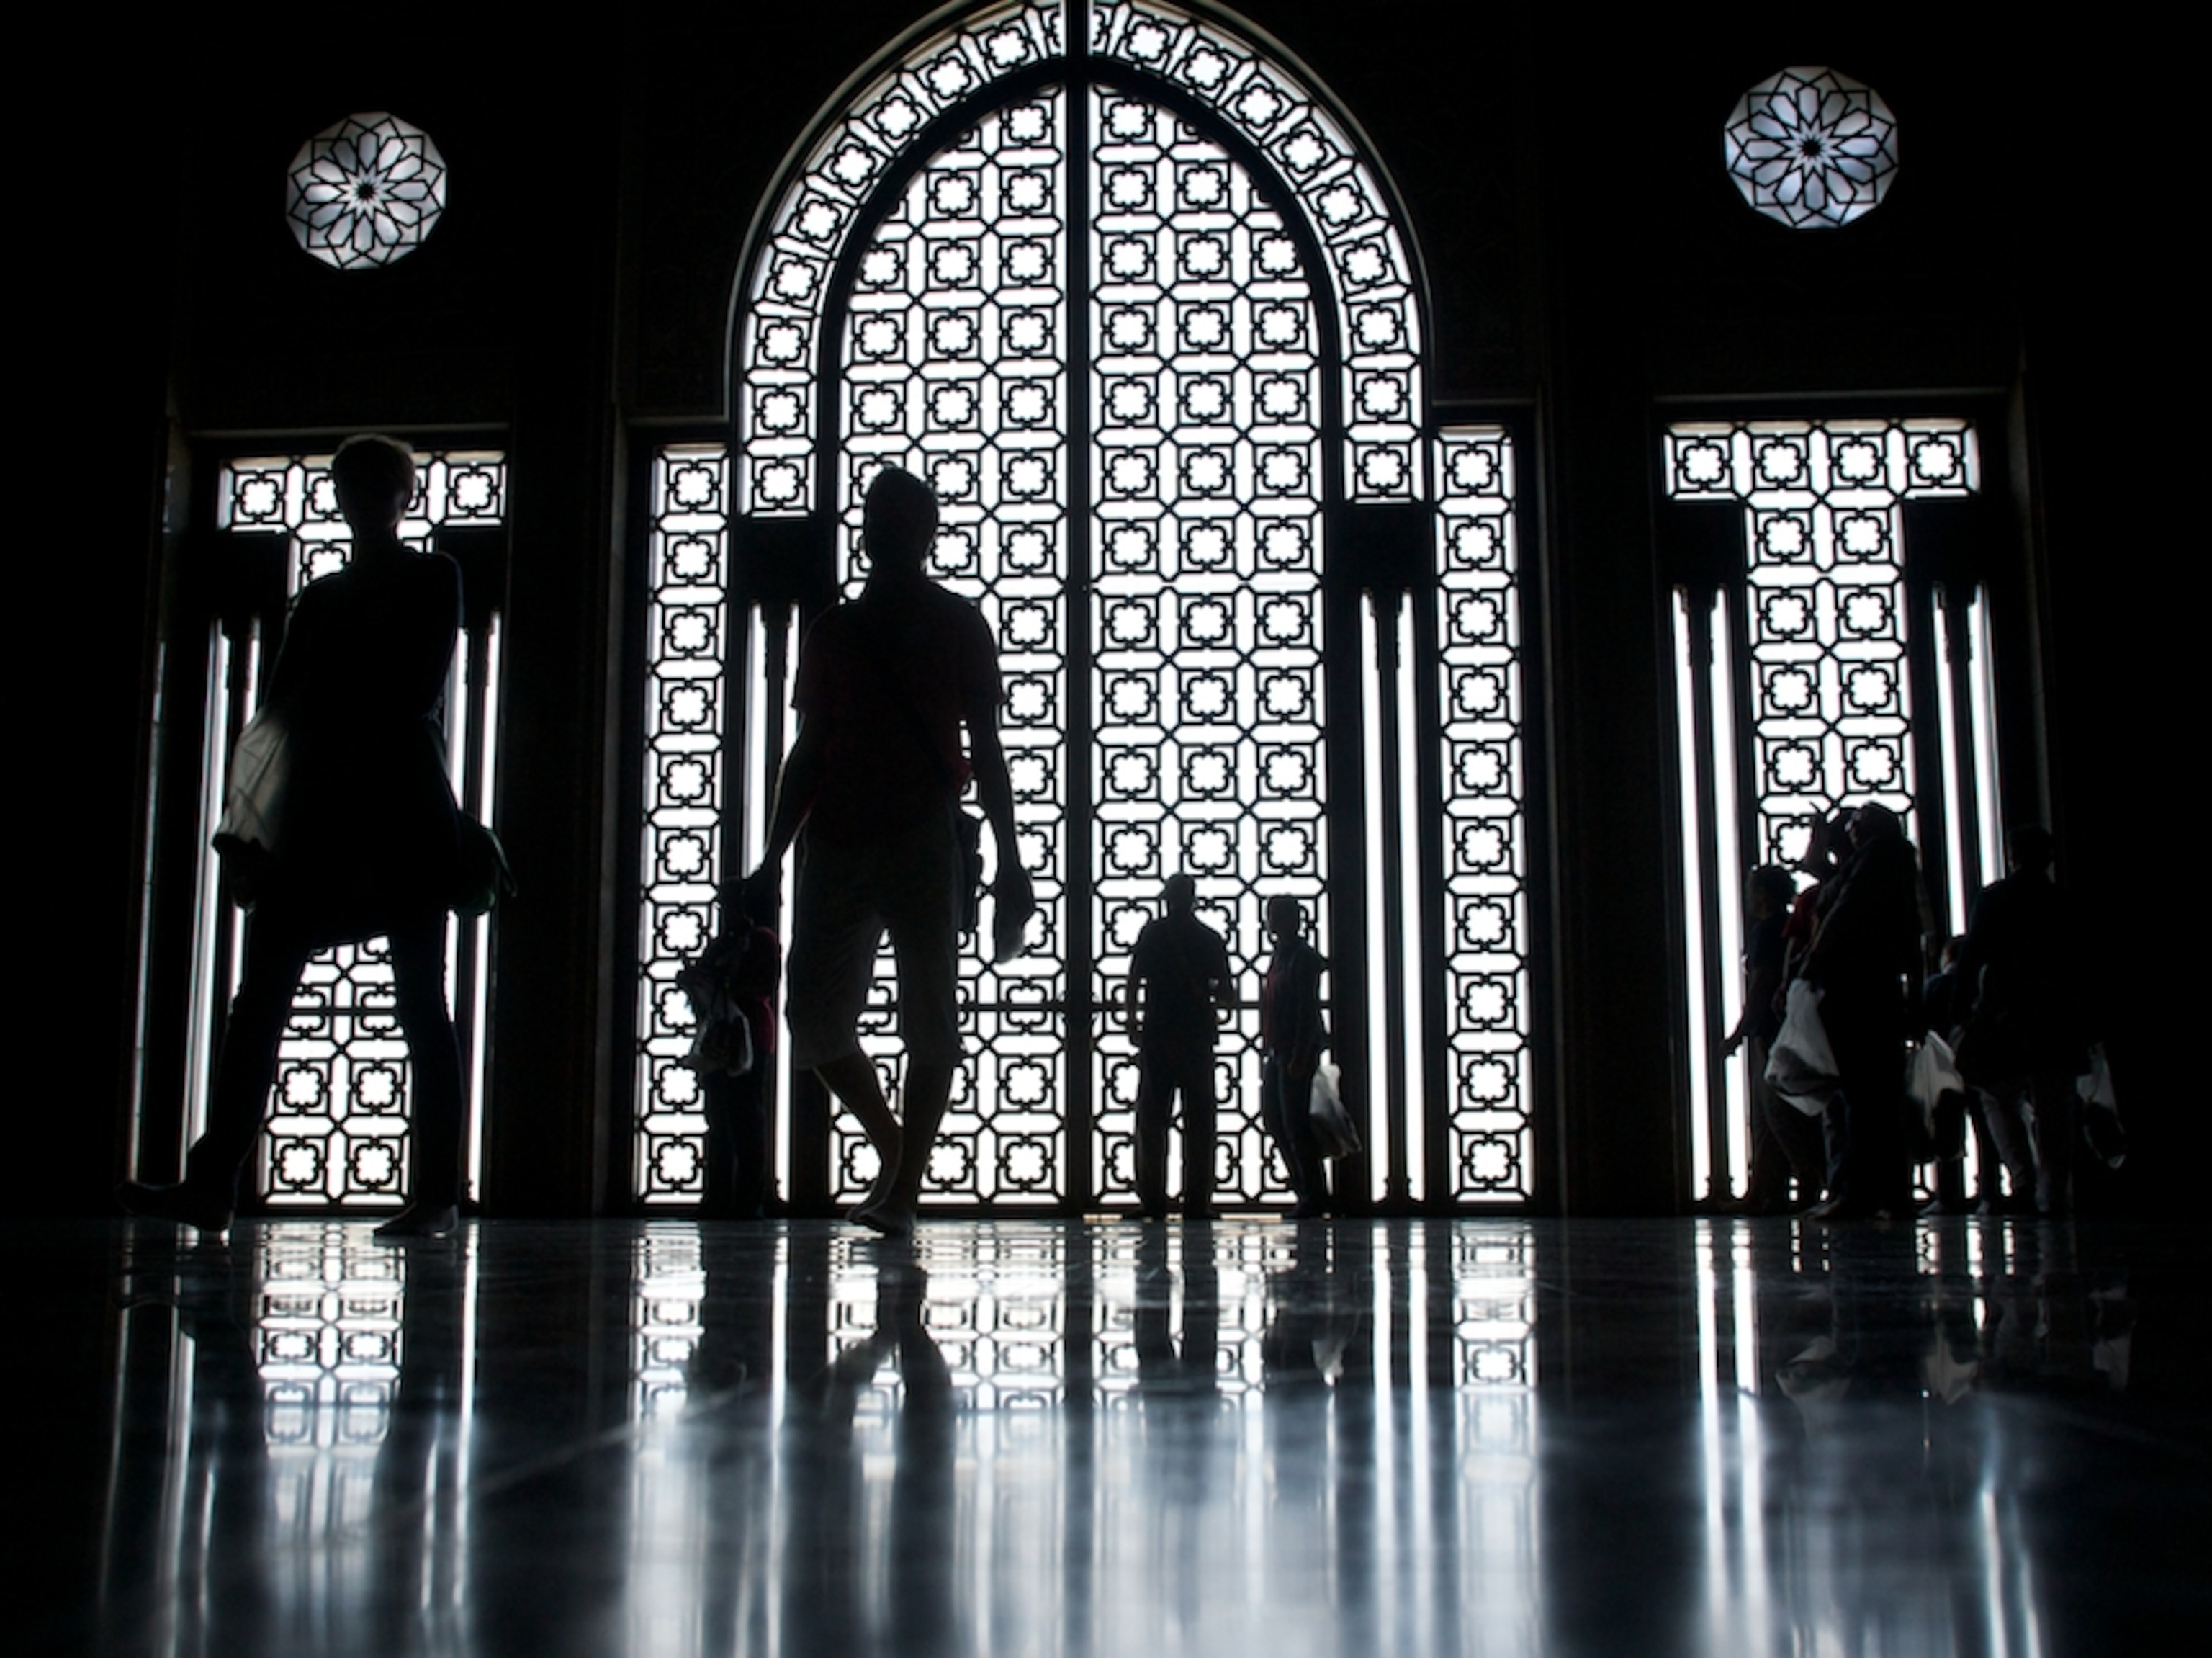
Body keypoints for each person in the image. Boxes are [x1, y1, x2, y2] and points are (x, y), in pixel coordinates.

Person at [123, 435, 472, 1240]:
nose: (359, 500)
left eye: (371, 485)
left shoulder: (415, 580)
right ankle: (215, 1181)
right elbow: (290, 712)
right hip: (348, 812)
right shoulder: (343, 596)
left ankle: (435, 1193)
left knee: (409, 997)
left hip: (384, 811)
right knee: (275, 997)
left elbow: (364, 696)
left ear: (398, 496)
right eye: (352, 486)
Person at [741, 467, 1033, 1236]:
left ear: (923, 532)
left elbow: (988, 750)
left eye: (894, 518)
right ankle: (899, 1149)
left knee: (928, 1011)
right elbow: (808, 749)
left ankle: (900, 1188)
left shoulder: (956, 623)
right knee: (812, 1008)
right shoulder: (837, 630)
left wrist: (1011, 856)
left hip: (919, 832)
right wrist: (774, 853)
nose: (881, 530)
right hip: (841, 834)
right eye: (875, 517)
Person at [1955, 824, 2092, 1216]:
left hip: (2005, 1011)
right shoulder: (2062, 902)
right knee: (2054, 1106)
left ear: (2012, 855)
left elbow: (1972, 956)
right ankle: (2054, 1191)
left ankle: (2022, 1179)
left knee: (1998, 1095)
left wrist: (1960, 1009)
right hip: (2055, 1014)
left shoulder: (1995, 899)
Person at [1801, 802, 1925, 1220]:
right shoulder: (1882, 862)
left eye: (1854, 823)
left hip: (1858, 991)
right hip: (1875, 990)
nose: (1849, 830)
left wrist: (1809, 967)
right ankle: (1889, 1192)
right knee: (1876, 1096)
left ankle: (1859, 1192)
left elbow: (1843, 913)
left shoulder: (1880, 857)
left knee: (1862, 1094)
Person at [1124, 874, 1233, 1219]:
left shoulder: (1154, 933)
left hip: (1158, 1035)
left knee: (1152, 1119)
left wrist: (1132, 1021)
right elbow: (1227, 992)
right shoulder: (1209, 939)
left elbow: (1133, 980)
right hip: (1197, 1039)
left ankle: (1152, 1200)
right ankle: (1198, 1201)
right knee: (1200, 1121)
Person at [1721, 863, 1823, 1212]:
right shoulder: (1787, 927)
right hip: (1787, 1027)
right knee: (1770, 1115)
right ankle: (1764, 1189)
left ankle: (1804, 1180)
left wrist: (1738, 1033)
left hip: (1772, 1032)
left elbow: (1763, 983)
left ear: (1761, 895)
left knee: (1777, 1113)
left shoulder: (1766, 931)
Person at [1259, 894, 1331, 1217]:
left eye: (1275, 915)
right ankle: (1306, 1189)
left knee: (1296, 1123)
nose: (1270, 921)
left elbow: (1306, 1009)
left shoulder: (1302, 958)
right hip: (1279, 1049)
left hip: (1294, 1050)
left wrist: (1302, 1053)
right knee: (1277, 1119)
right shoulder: (1282, 955)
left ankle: (1314, 1193)